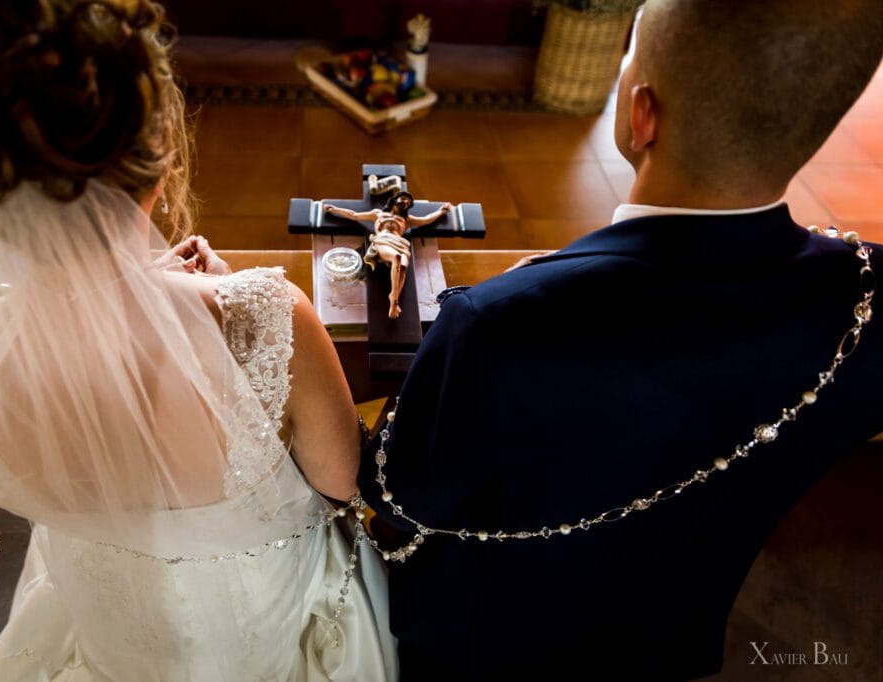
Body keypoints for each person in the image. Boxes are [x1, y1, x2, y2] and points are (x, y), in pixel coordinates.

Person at [357, 1, 883, 679]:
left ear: (643, 115)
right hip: (668, 638)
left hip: (487, 644)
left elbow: (398, 492)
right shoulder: (869, 306)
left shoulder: (495, 326)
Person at [0, 0, 396, 679]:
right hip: (265, 644)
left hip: (106, 639)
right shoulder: (269, 322)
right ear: (158, 160)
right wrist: (216, 307)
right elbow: (340, 482)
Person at [324, 193, 451, 318]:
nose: (405, 202)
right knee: (396, 257)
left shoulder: (407, 219)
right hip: (383, 240)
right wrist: (334, 209)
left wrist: (442, 211)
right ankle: (394, 301)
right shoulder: (377, 214)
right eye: (404, 199)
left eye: (408, 202)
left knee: (403, 267)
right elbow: (354, 215)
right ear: (395, 200)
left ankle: (394, 297)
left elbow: (426, 220)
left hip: (400, 243)